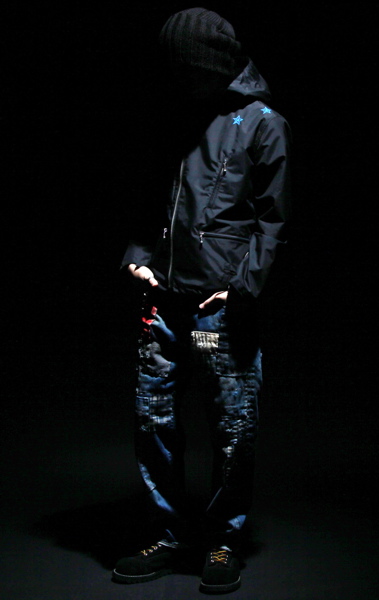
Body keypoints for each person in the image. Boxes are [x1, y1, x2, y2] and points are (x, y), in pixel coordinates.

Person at [112, 7, 291, 594]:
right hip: (161, 301)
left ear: (209, 65)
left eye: (184, 68)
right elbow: (148, 195)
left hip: (220, 308)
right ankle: (168, 534)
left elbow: (274, 220)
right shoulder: (173, 116)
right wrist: (137, 254)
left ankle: (223, 541)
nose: (177, 78)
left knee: (233, 428)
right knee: (152, 419)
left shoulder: (263, 124)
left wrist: (240, 287)